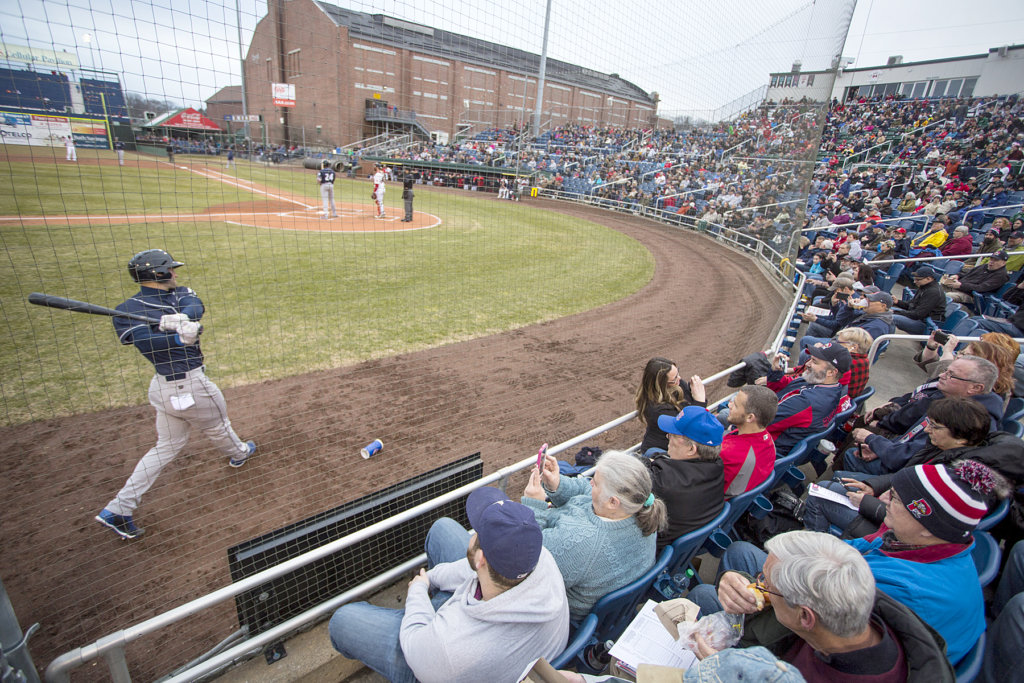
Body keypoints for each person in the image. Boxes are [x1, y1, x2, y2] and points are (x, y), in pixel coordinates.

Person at [696, 460, 997, 666]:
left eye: (899, 499)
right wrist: (758, 584)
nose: (884, 496)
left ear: (928, 526)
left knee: (703, 597)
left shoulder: (901, 589)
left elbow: (804, 628)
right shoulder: (915, 542)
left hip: (811, 652)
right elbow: (838, 548)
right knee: (741, 553)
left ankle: (729, 638)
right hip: (828, 628)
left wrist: (756, 594)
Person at [328, 487, 569, 683]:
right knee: (442, 528)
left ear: (481, 559)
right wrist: (430, 578)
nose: (472, 534)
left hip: (441, 663)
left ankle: (430, 608)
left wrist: (418, 591)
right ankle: (435, 604)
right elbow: (465, 569)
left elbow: (414, 640)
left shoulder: (450, 651)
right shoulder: (539, 558)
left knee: (342, 621)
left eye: (476, 532)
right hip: (506, 644)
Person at [95, 250, 255, 540]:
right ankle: (240, 453)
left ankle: (118, 508)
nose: (176, 274)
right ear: (158, 273)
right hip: (191, 385)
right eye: (171, 269)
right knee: (218, 425)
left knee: (166, 445)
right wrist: (175, 335)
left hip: (164, 390)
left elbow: (196, 305)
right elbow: (145, 343)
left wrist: (178, 318)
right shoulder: (127, 310)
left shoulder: (179, 294)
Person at [687, 530, 955, 681]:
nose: (758, 586)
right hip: (754, 642)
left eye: (764, 583)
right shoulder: (838, 614)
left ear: (806, 616)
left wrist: (726, 673)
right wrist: (736, 585)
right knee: (705, 592)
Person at [523, 450, 666, 620]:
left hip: (557, 613)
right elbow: (585, 489)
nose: (590, 484)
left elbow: (526, 560)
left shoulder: (583, 542)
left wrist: (534, 506)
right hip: (610, 608)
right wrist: (558, 484)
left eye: (596, 483)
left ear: (613, 502)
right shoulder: (642, 511)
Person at [845, 355, 1003, 475]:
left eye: (951, 375)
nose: (941, 376)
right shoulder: (950, 399)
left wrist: (874, 441)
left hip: (906, 476)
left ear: (975, 388)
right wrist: (881, 448)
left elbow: (911, 459)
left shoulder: (966, 421)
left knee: (852, 455)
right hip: (900, 454)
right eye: (945, 371)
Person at [642, 406, 726, 547]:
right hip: (687, 540)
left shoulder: (664, 482)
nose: (667, 436)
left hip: (653, 549)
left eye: (673, 435)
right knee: (653, 452)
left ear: (691, 449)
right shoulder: (717, 464)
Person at [765, 342, 852, 456]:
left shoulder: (807, 401)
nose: (808, 364)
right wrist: (776, 371)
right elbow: (781, 387)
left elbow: (759, 422)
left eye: (814, 361)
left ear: (831, 372)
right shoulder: (827, 386)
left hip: (765, 447)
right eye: (810, 359)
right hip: (773, 438)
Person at [635, 357, 706, 456]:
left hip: (678, 446)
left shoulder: (677, 384)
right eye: (674, 379)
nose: (680, 379)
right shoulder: (656, 408)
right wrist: (700, 401)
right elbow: (686, 427)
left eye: (678, 373)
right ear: (662, 384)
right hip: (663, 450)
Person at [719, 385, 778, 496]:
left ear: (750, 417)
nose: (729, 405)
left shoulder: (728, 452)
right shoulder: (769, 441)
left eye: (735, 405)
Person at [892, 266, 946, 334]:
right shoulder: (924, 287)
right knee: (883, 310)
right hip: (919, 319)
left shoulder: (933, 292)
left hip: (925, 325)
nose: (914, 282)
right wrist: (897, 302)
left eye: (918, 279)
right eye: (914, 279)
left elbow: (917, 314)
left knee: (890, 318)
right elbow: (911, 305)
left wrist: (895, 312)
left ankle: (882, 342)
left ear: (928, 278)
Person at [943, 249, 1010, 304]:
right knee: (936, 289)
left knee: (947, 296)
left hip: (970, 296)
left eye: (996, 260)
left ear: (1003, 262)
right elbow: (967, 273)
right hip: (959, 288)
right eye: (991, 259)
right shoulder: (984, 266)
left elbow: (981, 288)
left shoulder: (1001, 275)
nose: (991, 262)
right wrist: (957, 275)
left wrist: (961, 285)